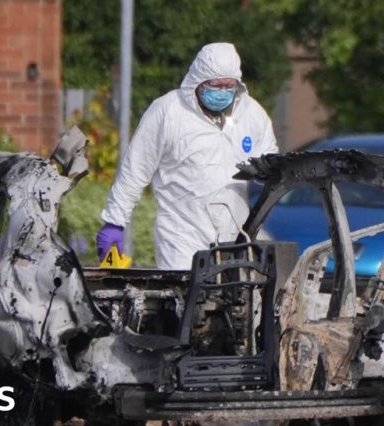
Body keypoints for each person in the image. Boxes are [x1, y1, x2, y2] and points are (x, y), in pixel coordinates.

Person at [97, 42, 279, 269]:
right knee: (184, 291)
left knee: (235, 292)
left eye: (229, 86)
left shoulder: (252, 114)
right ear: (198, 80)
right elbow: (135, 169)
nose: (222, 92)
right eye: (216, 85)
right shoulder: (169, 112)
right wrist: (115, 221)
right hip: (181, 237)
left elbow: (271, 165)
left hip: (236, 238)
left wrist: (266, 174)